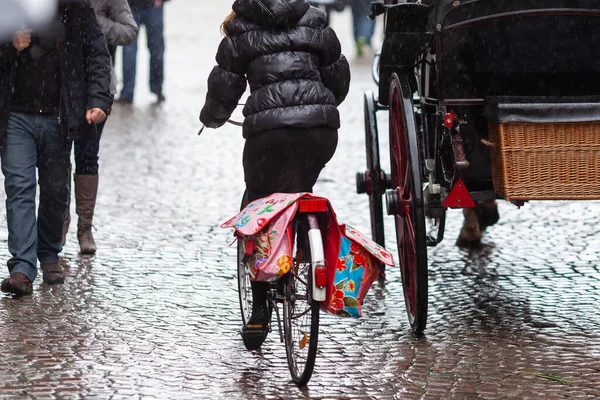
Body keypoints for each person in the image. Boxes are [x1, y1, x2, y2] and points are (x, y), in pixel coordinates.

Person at [200, 0, 350, 351]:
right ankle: (306, 246)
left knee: (258, 205)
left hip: (269, 134)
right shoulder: (315, 18)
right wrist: (317, 106)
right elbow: (338, 79)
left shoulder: (240, 29)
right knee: (301, 188)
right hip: (319, 129)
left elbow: (224, 89)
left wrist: (212, 117)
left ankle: (260, 307)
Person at [0, 0, 113, 297]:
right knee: (19, 186)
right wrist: (10, 45)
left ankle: (49, 252)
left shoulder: (76, 8)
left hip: (58, 117)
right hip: (15, 114)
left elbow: (97, 55)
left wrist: (98, 99)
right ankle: (22, 267)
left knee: (54, 189)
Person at [62, 0, 138, 254]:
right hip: (59, 88)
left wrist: (94, 23)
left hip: (97, 89)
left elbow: (129, 31)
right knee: (57, 158)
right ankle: (59, 224)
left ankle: (85, 227)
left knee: (87, 156)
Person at [117, 0, 169, 103]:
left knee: (156, 51)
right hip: (130, 7)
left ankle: (157, 88)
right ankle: (127, 92)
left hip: (153, 6)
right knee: (129, 51)